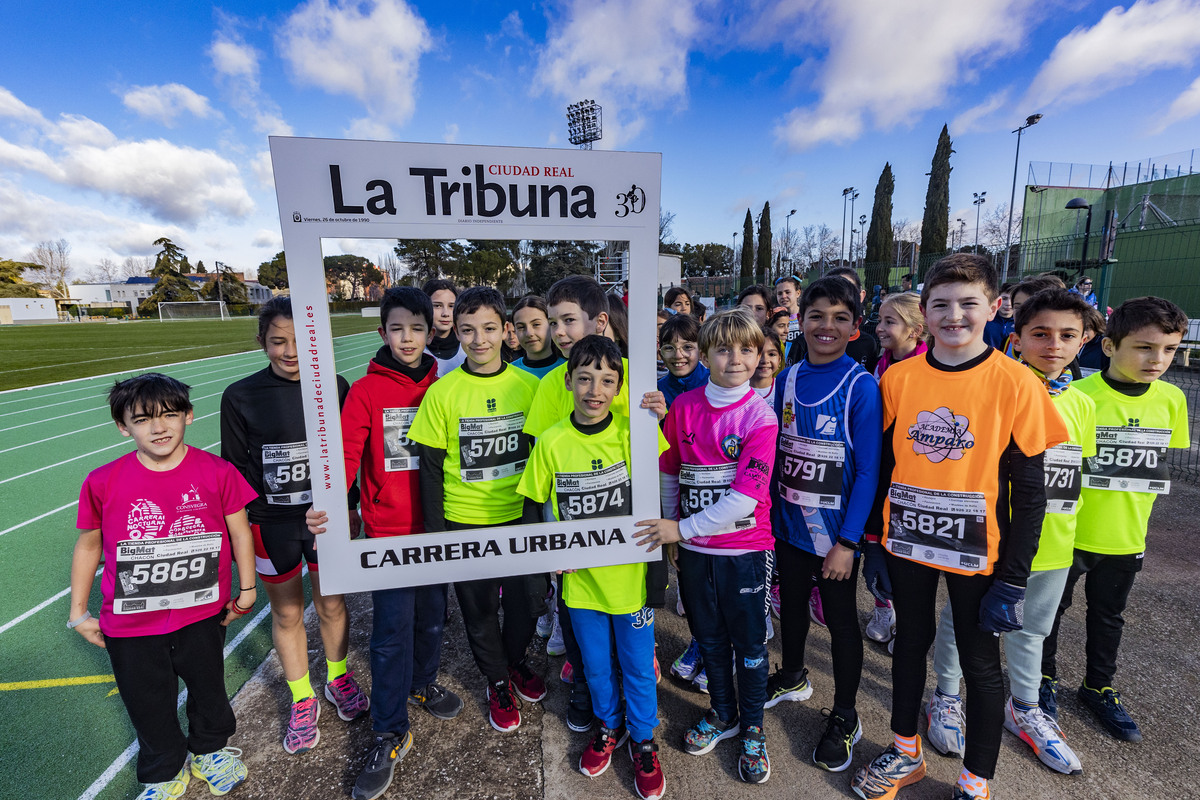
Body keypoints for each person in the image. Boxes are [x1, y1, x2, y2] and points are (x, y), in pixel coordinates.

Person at [852, 254, 1068, 800]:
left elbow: (1033, 495)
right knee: (908, 649)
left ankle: (976, 781)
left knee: (978, 665)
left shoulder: (1018, 383)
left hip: (981, 556)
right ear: (924, 312)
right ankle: (905, 753)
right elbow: (881, 470)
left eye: (969, 304)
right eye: (941, 304)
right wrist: (874, 544)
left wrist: (1015, 577)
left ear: (993, 308)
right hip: (907, 545)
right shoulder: (898, 378)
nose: (955, 315)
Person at [925, 288, 1102, 776]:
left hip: (1053, 545)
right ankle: (946, 696)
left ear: (1084, 341)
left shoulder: (1083, 404)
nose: (1054, 345)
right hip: (990, 540)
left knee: (1033, 630)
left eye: (1068, 336)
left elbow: (1074, 478)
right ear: (1017, 338)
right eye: (1040, 334)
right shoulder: (1001, 385)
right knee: (962, 624)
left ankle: (1024, 708)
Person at [307, 287, 464, 800]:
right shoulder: (367, 392)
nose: (408, 338)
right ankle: (389, 729)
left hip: (440, 527)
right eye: (397, 328)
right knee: (390, 631)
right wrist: (331, 510)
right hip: (390, 531)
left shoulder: (447, 382)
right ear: (383, 333)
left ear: (431, 331)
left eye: (417, 328)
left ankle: (422, 681)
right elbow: (348, 454)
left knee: (433, 618)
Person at [70, 373, 257, 800]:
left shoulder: (217, 471)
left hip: (201, 613)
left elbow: (240, 532)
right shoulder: (103, 481)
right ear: (123, 426)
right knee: (147, 702)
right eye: (142, 419)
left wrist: (247, 590)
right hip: (132, 624)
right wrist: (78, 611)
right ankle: (162, 769)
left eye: (170, 415)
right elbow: (89, 545)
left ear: (189, 416)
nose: (158, 427)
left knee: (209, 689)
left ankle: (211, 751)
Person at [517, 336, 667, 800]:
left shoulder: (634, 432)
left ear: (619, 386)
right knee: (597, 668)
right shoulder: (551, 441)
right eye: (584, 378)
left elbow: (657, 495)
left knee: (640, 668)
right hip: (580, 586)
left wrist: (658, 415)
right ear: (568, 382)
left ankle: (643, 740)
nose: (594, 389)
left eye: (606, 379)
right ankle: (608, 728)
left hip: (629, 583)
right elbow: (533, 507)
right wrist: (547, 562)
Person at [636, 308, 779, 785]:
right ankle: (723, 713)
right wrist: (677, 526)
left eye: (746, 349)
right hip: (696, 552)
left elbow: (746, 498)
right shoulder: (685, 407)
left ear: (759, 355)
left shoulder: (761, 416)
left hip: (743, 551)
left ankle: (754, 727)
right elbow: (670, 472)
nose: (734, 359)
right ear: (705, 354)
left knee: (749, 643)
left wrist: (682, 529)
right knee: (710, 638)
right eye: (723, 348)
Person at [220, 298, 368, 757]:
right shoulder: (240, 395)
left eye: (300, 341)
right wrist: (252, 524)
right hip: (274, 526)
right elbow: (237, 472)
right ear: (261, 341)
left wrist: (350, 506)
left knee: (332, 603)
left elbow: (348, 455)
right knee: (286, 614)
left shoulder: (334, 386)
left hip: (326, 523)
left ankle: (338, 678)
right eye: (278, 341)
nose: (290, 351)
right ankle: (302, 698)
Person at [1041, 296, 1189, 743]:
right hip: (1068, 535)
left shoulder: (1172, 399)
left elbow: (1152, 469)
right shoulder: (1077, 396)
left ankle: (1098, 686)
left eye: (1169, 350)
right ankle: (1040, 682)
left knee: (1110, 615)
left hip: (1126, 537)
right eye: (1144, 348)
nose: (1157, 360)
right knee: (1051, 613)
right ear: (1108, 346)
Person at [407, 287, 545, 734]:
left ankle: (516, 660)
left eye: (488, 329)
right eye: (467, 330)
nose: (478, 339)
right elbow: (428, 469)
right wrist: (435, 533)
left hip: (520, 517)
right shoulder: (442, 393)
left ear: (507, 332)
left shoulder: (530, 386)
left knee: (528, 603)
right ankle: (498, 680)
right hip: (463, 519)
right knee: (479, 610)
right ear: (455, 331)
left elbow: (543, 455)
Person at [766, 277, 882, 774]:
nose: (826, 326)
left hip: (833, 538)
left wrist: (848, 542)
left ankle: (846, 714)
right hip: (789, 529)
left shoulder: (861, 385)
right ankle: (792, 673)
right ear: (801, 321)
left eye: (839, 318)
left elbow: (871, 471)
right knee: (789, 607)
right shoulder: (787, 379)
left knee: (839, 625)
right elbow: (771, 451)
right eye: (816, 316)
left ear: (855, 327)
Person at [822, 267, 880, 374]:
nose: (841, 297)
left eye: (848, 290)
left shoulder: (869, 342)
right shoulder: (809, 340)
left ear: (861, 295)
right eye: (834, 291)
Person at [657, 312, 709, 409]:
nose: (678, 355)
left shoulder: (716, 383)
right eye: (669, 348)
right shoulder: (658, 390)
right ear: (661, 353)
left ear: (701, 352)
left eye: (687, 347)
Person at [511, 295, 565, 378]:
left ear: (551, 324)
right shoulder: (510, 373)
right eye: (521, 327)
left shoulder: (570, 369)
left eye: (536, 324)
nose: (529, 333)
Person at [422, 279, 466, 376]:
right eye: (437, 306)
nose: (445, 313)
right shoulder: (414, 348)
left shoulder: (468, 346)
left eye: (451, 306)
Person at [751, 328, 783, 409]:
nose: (765, 360)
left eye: (771, 354)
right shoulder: (738, 391)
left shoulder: (784, 389)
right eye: (758, 354)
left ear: (779, 359)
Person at [982, 282, 1016, 351]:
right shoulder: (986, 319)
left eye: (1012, 299)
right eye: (1004, 298)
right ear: (998, 300)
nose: (1008, 304)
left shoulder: (1021, 323)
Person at [774, 275, 803, 356]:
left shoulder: (807, 316)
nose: (783, 296)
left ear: (798, 293)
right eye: (779, 293)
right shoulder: (773, 318)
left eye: (787, 292)